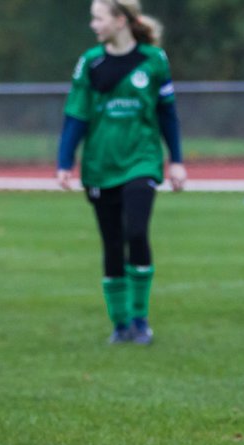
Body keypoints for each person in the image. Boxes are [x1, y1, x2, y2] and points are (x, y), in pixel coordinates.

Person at [57, 0, 186, 345]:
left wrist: (176, 159)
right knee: (112, 244)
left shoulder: (154, 60)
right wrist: (64, 160)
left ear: (120, 20)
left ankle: (141, 320)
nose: (93, 25)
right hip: (100, 164)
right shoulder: (90, 62)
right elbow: (76, 116)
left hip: (141, 160)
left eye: (97, 18)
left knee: (136, 230)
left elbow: (167, 113)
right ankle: (120, 324)